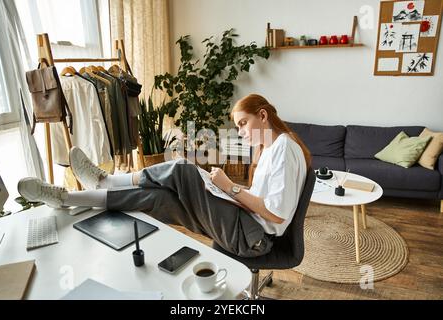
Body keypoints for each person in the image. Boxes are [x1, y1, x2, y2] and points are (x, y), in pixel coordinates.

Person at [18, 94, 311, 258]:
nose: (241, 132)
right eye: (238, 127)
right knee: (157, 198)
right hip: (244, 227)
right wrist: (224, 191)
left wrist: (230, 188)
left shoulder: (284, 148)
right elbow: (265, 204)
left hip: (252, 239)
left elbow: (275, 213)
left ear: (263, 115)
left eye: (243, 124)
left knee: (183, 168)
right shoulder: (272, 149)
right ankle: (66, 197)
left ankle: (106, 181)